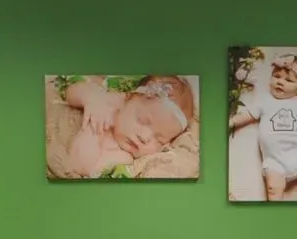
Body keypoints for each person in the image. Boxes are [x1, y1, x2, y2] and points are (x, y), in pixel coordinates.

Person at [60, 75, 196, 178]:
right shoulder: (111, 102)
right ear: (128, 98)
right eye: (142, 120)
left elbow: (82, 166)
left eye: (159, 139)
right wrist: (91, 99)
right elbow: (70, 92)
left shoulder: (124, 157)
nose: (144, 137)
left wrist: (94, 129)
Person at [230, 56, 297, 201]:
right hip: (274, 161)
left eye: (288, 80)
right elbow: (249, 115)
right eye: (277, 76)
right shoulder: (264, 99)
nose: (280, 82)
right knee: (273, 189)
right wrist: (232, 122)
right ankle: (275, 211)